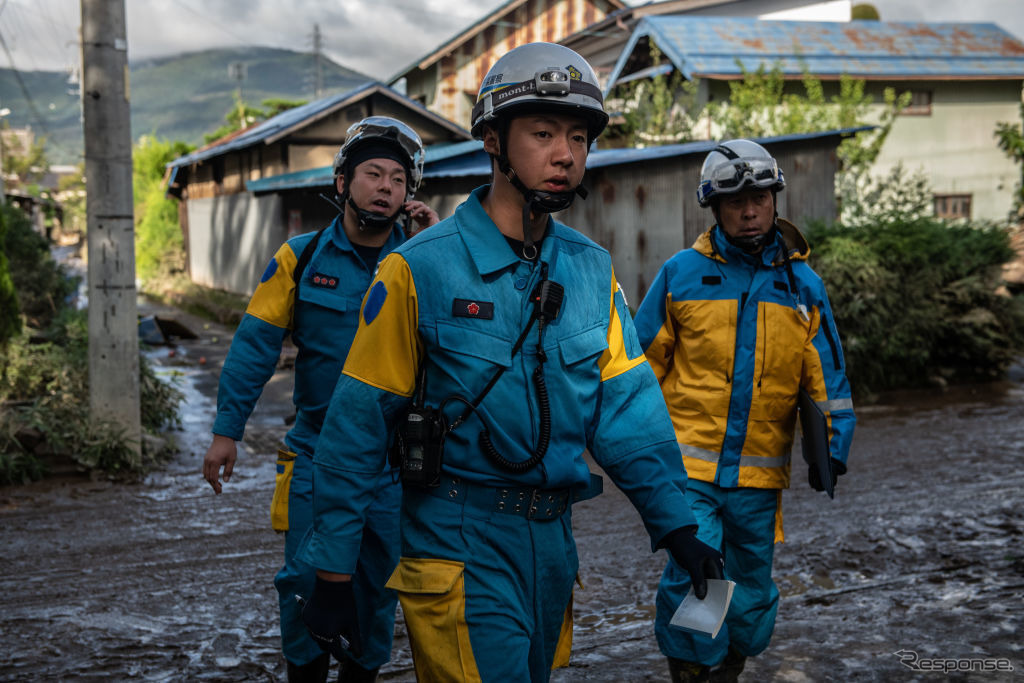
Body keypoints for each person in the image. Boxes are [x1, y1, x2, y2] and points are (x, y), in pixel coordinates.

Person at [297, 42, 724, 683]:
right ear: (493, 141)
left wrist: (678, 526)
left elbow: (628, 411)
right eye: (544, 133)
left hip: (552, 546)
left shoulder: (589, 269)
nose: (566, 155)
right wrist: (332, 572)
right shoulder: (418, 269)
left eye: (579, 137)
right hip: (457, 541)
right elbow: (355, 429)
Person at [201, 115, 439, 683]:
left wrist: (437, 239)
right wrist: (226, 430)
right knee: (307, 580)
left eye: (399, 180)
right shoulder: (299, 259)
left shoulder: (426, 261)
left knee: (375, 586)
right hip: (313, 453)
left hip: (393, 463)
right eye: (373, 173)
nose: (386, 187)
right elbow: (254, 345)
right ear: (341, 183)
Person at [633, 139, 856, 682]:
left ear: (775, 199)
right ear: (715, 209)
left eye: (759, 198)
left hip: (760, 472)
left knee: (751, 588)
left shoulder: (802, 285)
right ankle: (692, 670)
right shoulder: (682, 273)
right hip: (691, 471)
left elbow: (825, 374)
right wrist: (633, 444)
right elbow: (640, 366)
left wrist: (834, 443)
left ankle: (731, 665)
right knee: (701, 575)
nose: (749, 210)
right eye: (735, 202)